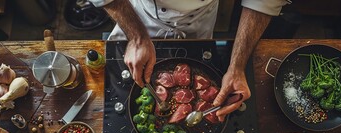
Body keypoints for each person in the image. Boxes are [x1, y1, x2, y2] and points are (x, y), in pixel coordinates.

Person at [89, 0, 289, 121]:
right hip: (139, 15)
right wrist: (137, 36)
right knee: (122, 98)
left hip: (200, 18)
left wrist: (237, 66)